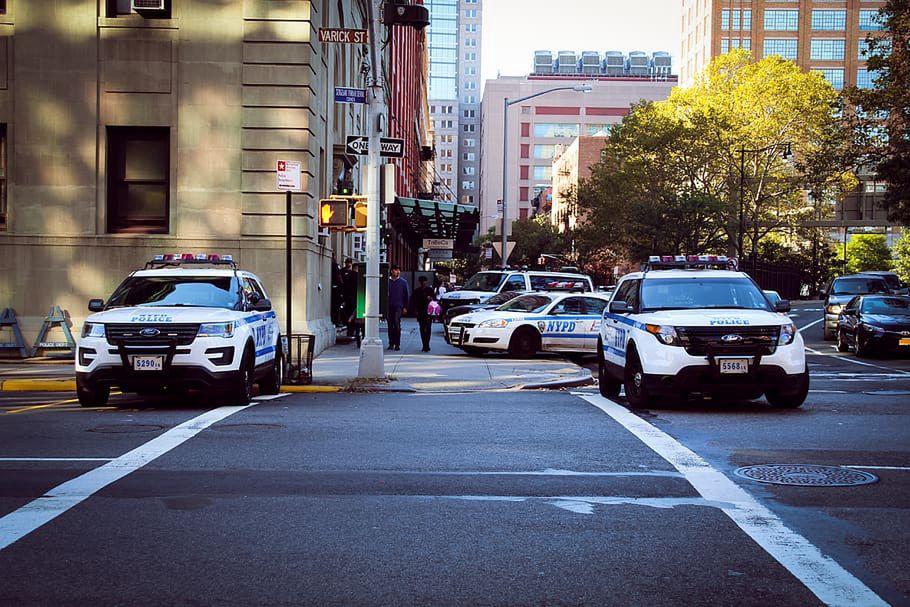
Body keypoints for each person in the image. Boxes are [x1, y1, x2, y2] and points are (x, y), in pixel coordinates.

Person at [387, 265, 409, 351]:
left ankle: (397, 344)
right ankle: (391, 343)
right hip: (389, 306)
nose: (398, 271)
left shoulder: (403, 282)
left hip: (399, 306)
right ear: (392, 271)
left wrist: (405, 307)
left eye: (399, 270)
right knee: (390, 325)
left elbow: (406, 295)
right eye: (396, 270)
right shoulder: (387, 282)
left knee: (396, 324)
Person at [412, 276, 435, 352]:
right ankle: (424, 344)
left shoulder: (430, 290)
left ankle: (427, 344)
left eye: (424, 281)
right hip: (421, 311)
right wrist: (415, 310)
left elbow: (434, 301)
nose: (423, 283)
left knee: (428, 328)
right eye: (422, 281)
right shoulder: (417, 291)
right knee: (422, 328)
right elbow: (414, 302)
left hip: (428, 311)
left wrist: (430, 298)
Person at [341, 258, 359, 338]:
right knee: (351, 313)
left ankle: (350, 330)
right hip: (351, 297)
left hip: (349, 297)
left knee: (349, 313)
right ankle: (351, 330)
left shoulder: (351, 275)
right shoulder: (355, 275)